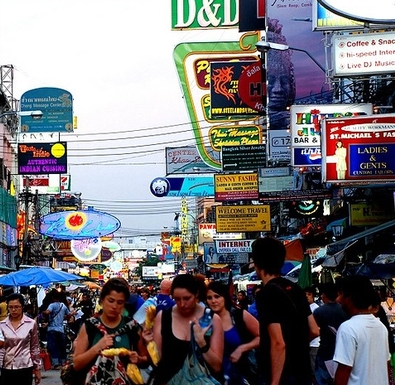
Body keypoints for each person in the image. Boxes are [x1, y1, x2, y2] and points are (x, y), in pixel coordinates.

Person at [251, 236, 319, 385]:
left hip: (282, 375)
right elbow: (314, 330)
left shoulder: (266, 294)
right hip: (303, 372)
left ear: (257, 264)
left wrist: (274, 382)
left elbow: (278, 343)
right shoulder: (296, 289)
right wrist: (297, 345)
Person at [73, 277, 150, 385]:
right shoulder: (90, 326)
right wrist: (97, 347)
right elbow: (77, 364)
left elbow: (145, 360)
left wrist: (138, 359)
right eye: (111, 300)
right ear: (102, 300)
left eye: (120, 302)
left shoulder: (132, 326)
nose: (114, 306)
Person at [152, 274, 224, 385]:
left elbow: (216, 366)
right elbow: (157, 360)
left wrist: (201, 342)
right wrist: (148, 344)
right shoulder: (163, 317)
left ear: (196, 295)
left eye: (187, 298)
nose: (182, 304)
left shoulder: (212, 319)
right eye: (177, 299)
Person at [333, 276, 390, 385]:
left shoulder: (348, 328)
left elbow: (344, 370)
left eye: (340, 294)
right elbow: (386, 365)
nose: (338, 300)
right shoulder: (381, 327)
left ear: (349, 297)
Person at [206, 281, 260, 385]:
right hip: (214, 378)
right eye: (209, 298)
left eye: (217, 296)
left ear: (224, 297)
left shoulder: (239, 315)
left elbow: (261, 336)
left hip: (241, 374)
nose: (213, 301)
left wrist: (242, 348)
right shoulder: (205, 319)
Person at [0, 293, 41, 385]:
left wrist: (37, 368)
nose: (13, 310)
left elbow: (34, 346)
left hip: (25, 366)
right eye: (11, 307)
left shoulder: (31, 323)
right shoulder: (2, 325)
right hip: (7, 366)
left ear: (22, 307)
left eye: (17, 307)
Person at [313, 283, 348, 385]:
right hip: (342, 352)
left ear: (323, 295)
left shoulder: (319, 311)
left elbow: (314, 330)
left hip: (325, 351)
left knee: (322, 380)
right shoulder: (345, 310)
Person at [42, 290, 72, 369]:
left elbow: (48, 312)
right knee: (62, 346)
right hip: (61, 329)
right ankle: (63, 362)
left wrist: (43, 312)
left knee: (53, 347)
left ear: (52, 298)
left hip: (52, 329)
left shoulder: (51, 305)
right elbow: (69, 315)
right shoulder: (63, 305)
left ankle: (55, 364)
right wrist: (62, 318)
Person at [304, 286, 320, 384]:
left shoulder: (316, 309)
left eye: (309, 294)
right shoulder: (304, 308)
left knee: (314, 370)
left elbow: (318, 329)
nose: (306, 296)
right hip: (307, 344)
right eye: (305, 294)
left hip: (314, 343)